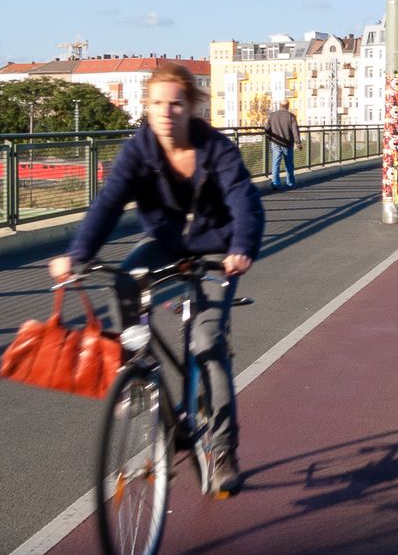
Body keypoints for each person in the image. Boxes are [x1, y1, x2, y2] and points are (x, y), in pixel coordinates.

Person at [49, 62, 265, 497]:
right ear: (145, 108)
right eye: (157, 104)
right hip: (167, 242)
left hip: (216, 250)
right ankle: (135, 367)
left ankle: (223, 450)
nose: (166, 112)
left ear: (191, 108)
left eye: (176, 104)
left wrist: (242, 248)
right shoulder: (138, 151)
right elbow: (108, 205)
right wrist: (77, 256)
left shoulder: (215, 147)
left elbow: (245, 200)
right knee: (124, 278)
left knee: (207, 345)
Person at [265, 99, 302, 190]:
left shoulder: (272, 115)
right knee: (289, 164)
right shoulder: (291, 116)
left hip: (275, 142)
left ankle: (275, 182)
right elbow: (295, 130)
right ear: (288, 105)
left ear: (280, 105)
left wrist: (269, 138)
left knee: (276, 162)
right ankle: (290, 183)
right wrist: (298, 142)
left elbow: (267, 128)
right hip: (287, 143)